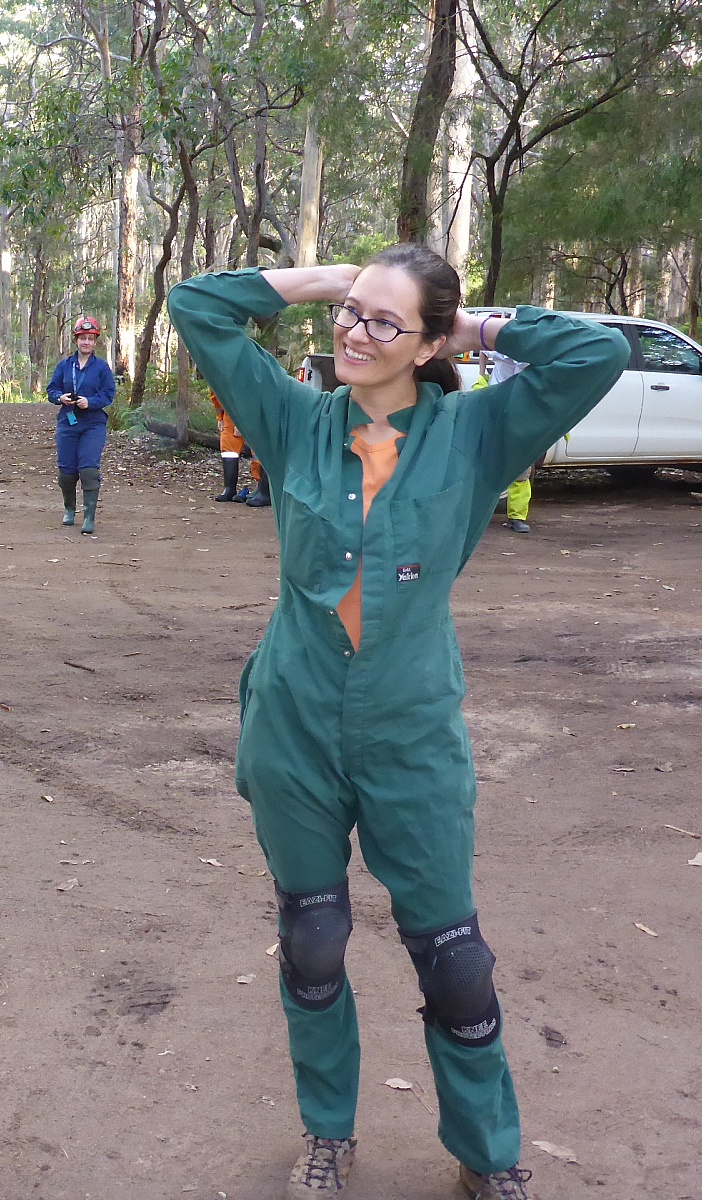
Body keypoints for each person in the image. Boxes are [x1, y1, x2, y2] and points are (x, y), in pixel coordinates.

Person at [168, 245, 627, 1200]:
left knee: (454, 958)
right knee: (314, 937)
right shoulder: (293, 419)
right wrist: (327, 283)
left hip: (411, 729)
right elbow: (198, 308)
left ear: (426, 345)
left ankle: (486, 1151)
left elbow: (593, 355)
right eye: (351, 316)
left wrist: (477, 327)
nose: (357, 334)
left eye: (385, 323)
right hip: (294, 719)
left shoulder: (480, 430)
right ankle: (327, 1132)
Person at [46, 315, 116, 534]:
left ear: (95, 342)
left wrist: (91, 402)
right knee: (67, 471)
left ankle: (89, 517)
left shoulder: (102, 368)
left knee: (88, 469)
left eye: (90, 338)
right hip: (68, 422)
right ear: (76, 340)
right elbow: (51, 390)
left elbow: (109, 394)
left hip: (93, 424)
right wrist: (61, 398)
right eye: (82, 338)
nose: (86, 342)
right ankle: (69, 509)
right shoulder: (65, 366)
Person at [474, 350, 534, 532]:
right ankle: (475, 515)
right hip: (497, 408)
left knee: (522, 470)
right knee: (484, 466)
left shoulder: (535, 351)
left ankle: (517, 517)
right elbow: (483, 351)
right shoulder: (501, 346)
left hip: (521, 411)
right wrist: (482, 375)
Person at [211, 391, 270, 507]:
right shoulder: (216, 375)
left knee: (259, 449)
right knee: (228, 449)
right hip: (229, 413)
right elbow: (215, 394)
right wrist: (220, 417)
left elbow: (250, 392)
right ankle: (229, 489)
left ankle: (264, 490)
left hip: (252, 411)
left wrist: (241, 421)